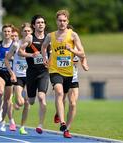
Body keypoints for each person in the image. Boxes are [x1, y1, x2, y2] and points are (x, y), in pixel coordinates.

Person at [41, 9, 88, 138]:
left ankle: (67, 128)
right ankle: (62, 123)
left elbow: (82, 54)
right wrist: (44, 57)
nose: (62, 23)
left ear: (68, 21)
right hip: (55, 70)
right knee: (59, 92)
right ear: (56, 21)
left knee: (72, 103)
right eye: (60, 20)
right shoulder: (50, 36)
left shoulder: (73, 35)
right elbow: (44, 47)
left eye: (64, 21)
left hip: (70, 73)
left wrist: (71, 49)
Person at [18, 15, 50, 134]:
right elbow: (20, 52)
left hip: (44, 72)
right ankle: (23, 94)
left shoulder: (49, 38)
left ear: (45, 24)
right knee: (31, 101)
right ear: (34, 25)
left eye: (42, 22)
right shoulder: (29, 38)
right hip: (31, 72)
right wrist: (31, 55)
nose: (40, 24)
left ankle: (40, 125)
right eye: (38, 23)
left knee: (42, 98)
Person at [5, 23, 32, 135]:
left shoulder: (34, 45)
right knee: (20, 102)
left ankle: (22, 127)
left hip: (30, 76)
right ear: (21, 32)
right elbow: (7, 60)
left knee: (27, 102)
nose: (27, 33)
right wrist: (12, 73)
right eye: (25, 31)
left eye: (29, 31)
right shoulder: (16, 44)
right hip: (18, 76)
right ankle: (16, 100)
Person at [0, 24, 16, 132]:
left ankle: (3, 121)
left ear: (11, 33)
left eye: (9, 31)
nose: (7, 33)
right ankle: (0, 110)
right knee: (0, 92)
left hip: (9, 74)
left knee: (7, 100)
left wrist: (11, 57)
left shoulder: (15, 45)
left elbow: (19, 57)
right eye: (5, 31)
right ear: (2, 32)